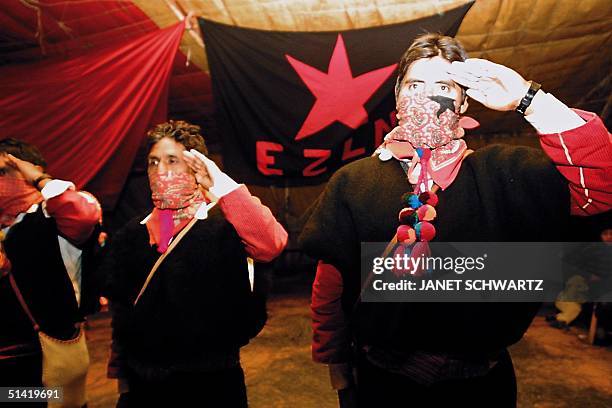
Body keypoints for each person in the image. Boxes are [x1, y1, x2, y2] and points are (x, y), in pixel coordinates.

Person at [299, 33, 612, 407]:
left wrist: (529, 100)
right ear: (397, 95)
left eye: (444, 86)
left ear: (464, 102)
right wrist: (335, 360)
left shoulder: (505, 173)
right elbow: (330, 283)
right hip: (383, 382)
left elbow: (601, 185)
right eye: (415, 84)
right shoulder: (353, 181)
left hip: (480, 385)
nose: (427, 97)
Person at [103, 120, 288, 407]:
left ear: (195, 165)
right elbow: (126, 309)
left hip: (211, 380)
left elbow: (271, 243)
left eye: (172, 160)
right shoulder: (139, 231)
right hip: (147, 383)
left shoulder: (225, 223)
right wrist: (122, 373)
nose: (161, 171)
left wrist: (219, 182)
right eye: (153, 162)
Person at [0, 138, 102, 406]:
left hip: (43, 362)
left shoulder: (52, 215)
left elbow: (82, 215)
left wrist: (40, 179)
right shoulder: (4, 226)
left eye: (3, 172)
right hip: (9, 364)